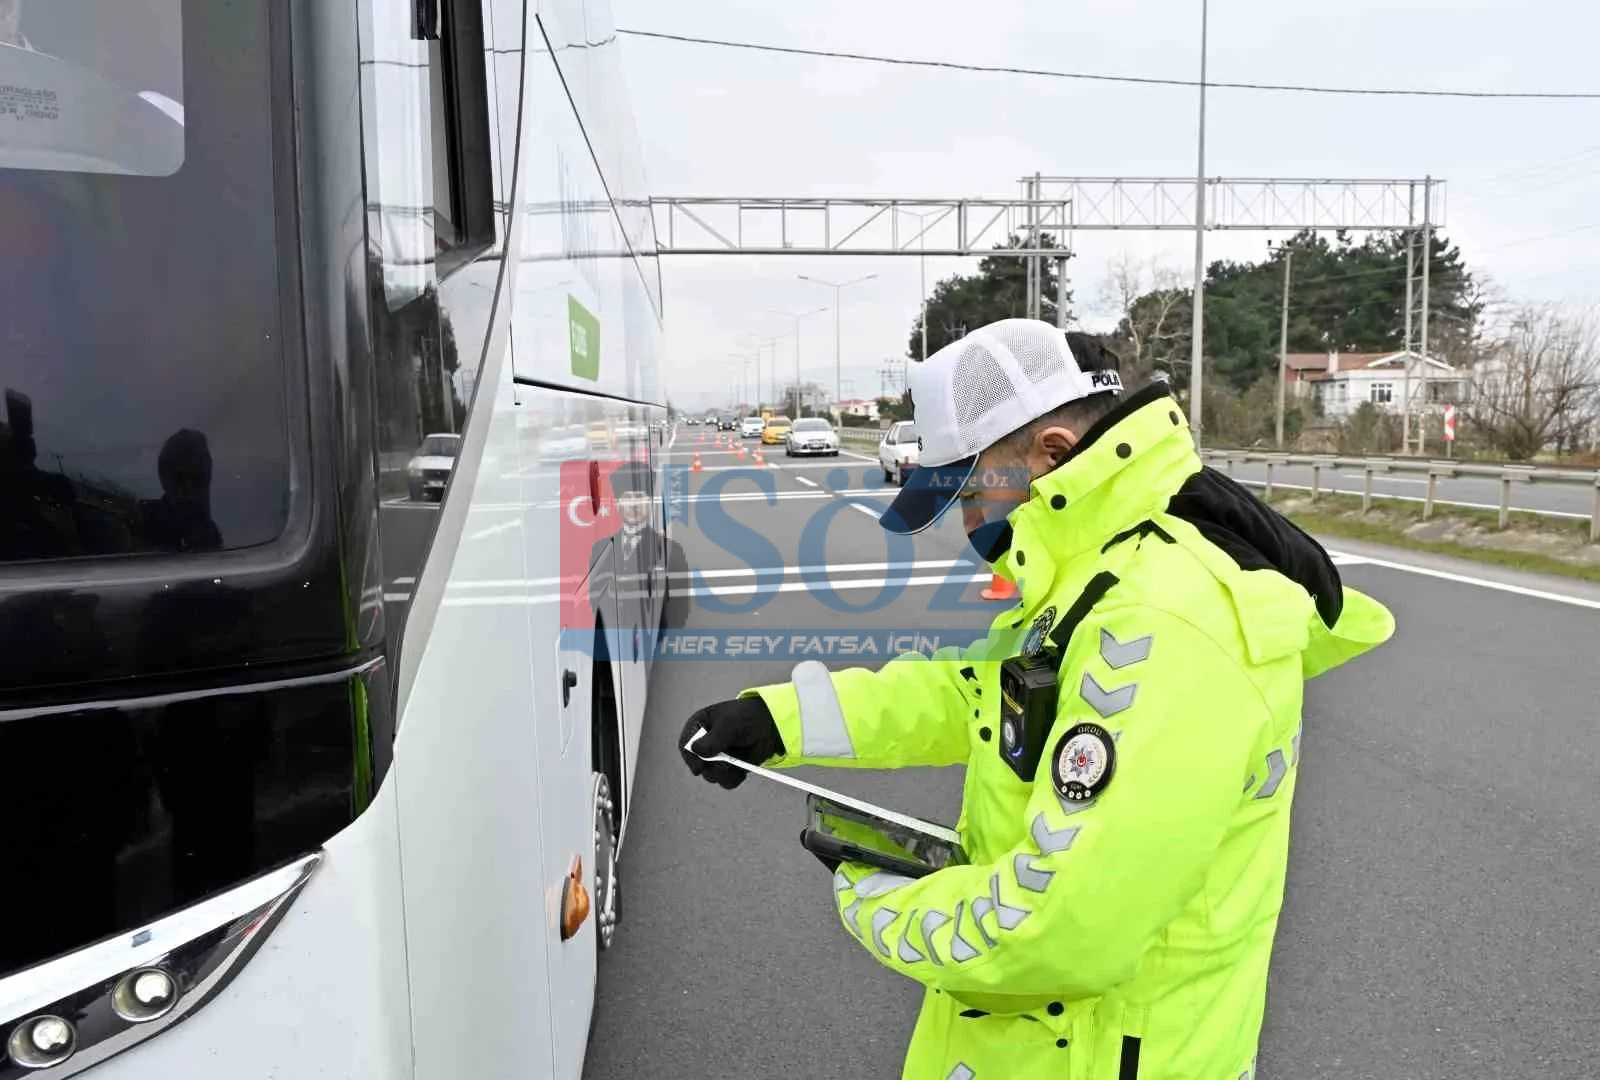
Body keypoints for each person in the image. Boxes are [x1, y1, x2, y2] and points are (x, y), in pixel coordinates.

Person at [679, 318, 1395, 1079]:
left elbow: (1053, 932)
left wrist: (874, 897)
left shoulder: (1164, 616)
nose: (965, 520)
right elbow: (978, 695)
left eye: (968, 489)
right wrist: (775, 720)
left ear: (1052, 452)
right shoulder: (1101, 571)